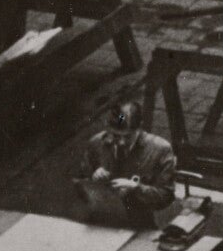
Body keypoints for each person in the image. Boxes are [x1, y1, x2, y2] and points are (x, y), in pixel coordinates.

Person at [71, 98, 177, 228]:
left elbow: (166, 197)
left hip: (140, 224)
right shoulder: (96, 143)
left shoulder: (160, 150)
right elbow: (78, 182)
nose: (121, 142)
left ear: (140, 127)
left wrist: (136, 187)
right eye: (115, 135)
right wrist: (93, 176)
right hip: (102, 219)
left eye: (127, 136)